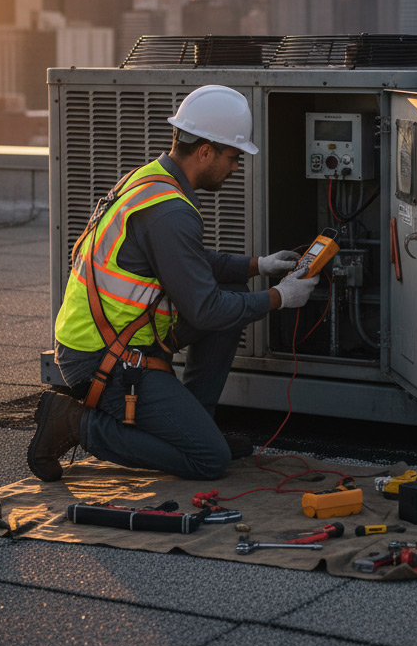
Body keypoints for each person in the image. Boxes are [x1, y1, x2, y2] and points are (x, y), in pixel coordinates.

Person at [27, 84, 318, 482]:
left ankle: (194, 421)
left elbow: (191, 263)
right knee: (209, 459)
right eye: (233, 157)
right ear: (205, 151)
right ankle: (74, 423)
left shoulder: (152, 179)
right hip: (101, 358)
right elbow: (204, 308)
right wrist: (280, 298)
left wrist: (257, 265)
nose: (236, 168)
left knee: (233, 298)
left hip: (112, 336)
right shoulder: (170, 212)